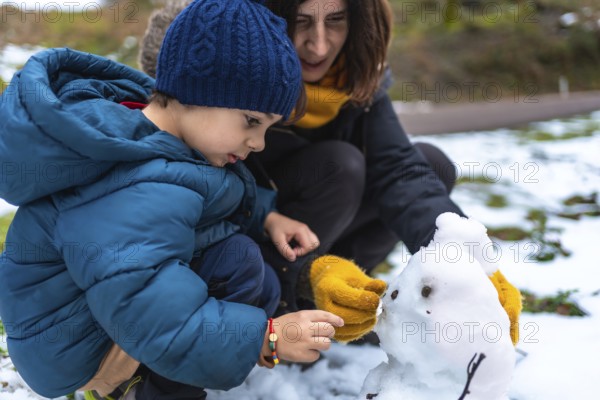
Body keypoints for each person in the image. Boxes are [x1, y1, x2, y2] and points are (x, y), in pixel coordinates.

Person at [0, 1, 347, 399]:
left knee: (252, 271)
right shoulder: (132, 178)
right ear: (193, 92)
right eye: (251, 121)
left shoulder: (157, 142)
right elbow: (147, 307)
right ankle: (133, 389)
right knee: (238, 263)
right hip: (72, 347)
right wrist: (266, 339)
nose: (258, 143)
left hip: (99, 310)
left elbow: (203, 202)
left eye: (267, 127)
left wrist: (267, 217)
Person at [139, 0, 522, 345]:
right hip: (243, 244)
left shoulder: (353, 76)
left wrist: (468, 260)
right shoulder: (218, 88)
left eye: (336, 21)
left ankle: (350, 302)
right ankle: (284, 309)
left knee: (430, 164)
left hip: (306, 226)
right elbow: (214, 205)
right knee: (340, 166)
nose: (319, 45)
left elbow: (399, 169)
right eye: (300, 22)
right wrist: (309, 272)